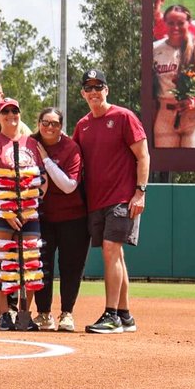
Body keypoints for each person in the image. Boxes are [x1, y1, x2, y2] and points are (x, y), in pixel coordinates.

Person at [72, 69, 149, 335]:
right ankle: (126, 315)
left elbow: (143, 155)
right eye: (88, 88)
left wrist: (140, 192)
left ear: (107, 90)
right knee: (116, 253)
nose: (93, 92)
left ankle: (111, 315)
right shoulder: (82, 125)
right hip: (96, 201)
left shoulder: (124, 116)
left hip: (123, 197)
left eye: (98, 87)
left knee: (110, 249)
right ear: (83, 93)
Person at [0, 97, 47, 331]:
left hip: (29, 214)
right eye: (5, 111)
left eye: (14, 111)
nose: (11, 115)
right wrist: (6, 211)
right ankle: (4, 314)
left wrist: (29, 208)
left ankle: (25, 315)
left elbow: (43, 179)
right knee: (3, 261)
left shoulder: (32, 144)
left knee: (29, 262)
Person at [31, 107, 87, 332]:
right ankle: (43, 314)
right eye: (45, 122)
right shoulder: (30, 144)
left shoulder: (71, 148)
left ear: (61, 126)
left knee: (70, 267)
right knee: (41, 267)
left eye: (54, 123)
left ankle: (67, 313)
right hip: (42, 216)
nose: (49, 127)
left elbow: (68, 186)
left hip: (73, 216)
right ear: (38, 123)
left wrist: (45, 160)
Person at [152, 4, 195, 148]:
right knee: (165, 163)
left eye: (180, 23)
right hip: (165, 115)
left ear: (189, 23)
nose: (175, 27)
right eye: (171, 23)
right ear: (164, 23)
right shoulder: (154, 49)